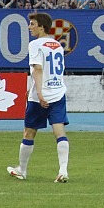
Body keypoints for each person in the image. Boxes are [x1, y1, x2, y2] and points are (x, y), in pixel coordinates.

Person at [7, 12, 71, 183]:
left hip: (40, 97)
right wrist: (31, 87)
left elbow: (38, 69)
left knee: (29, 132)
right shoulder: (57, 44)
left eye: (32, 24)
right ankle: (63, 170)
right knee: (59, 131)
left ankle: (22, 170)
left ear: (41, 27)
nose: (29, 27)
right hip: (58, 92)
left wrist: (39, 93)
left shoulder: (35, 44)